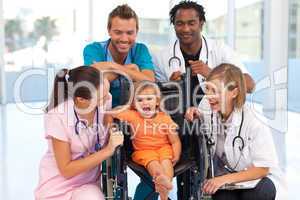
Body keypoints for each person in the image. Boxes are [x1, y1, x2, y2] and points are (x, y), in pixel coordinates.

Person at [185, 63, 287, 200]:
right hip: (229, 177)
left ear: (234, 92)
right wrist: (195, 113)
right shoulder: (207, 104)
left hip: (258, 179)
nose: (209, 95)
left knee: (257, 194)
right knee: (221, 197)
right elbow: (203, 115)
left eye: (215, 90)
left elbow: (263, 169)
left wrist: (223, 179)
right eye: (207, 89)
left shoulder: (254, 122)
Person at [35, 66, 124, 200]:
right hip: (57, 186)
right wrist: (108, 150)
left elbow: (107, 118)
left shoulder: (104, 98)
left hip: (87, 185)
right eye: (101, 98)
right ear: (81, 99)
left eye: (107, 93)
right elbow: (66, 170)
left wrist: (111, 124)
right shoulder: (58, 116)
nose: (107, 99)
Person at [153, 0, 255, 106]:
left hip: (216, 117)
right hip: (178, 118)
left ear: (201, 24)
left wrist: (213, 75)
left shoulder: (220, 49)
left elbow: (250, 85)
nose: (186, 29)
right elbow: (152, 97)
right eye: (180, 23)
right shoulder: (160, 58)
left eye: (191, 23)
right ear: (173, 25)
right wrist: (170, 87)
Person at [107, 81, 182, 200]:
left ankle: (164, 188)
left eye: (149, 99)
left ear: (157, 102)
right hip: (144, 150)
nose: (144, 103)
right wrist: (111, 127)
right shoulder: (133, 115)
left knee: (166, 163)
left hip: (164, 148)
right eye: (140, 100)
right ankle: (161, 181)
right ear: (134, 104)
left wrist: (176, 154)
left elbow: (175, 141)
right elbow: (110, 113)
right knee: (154, 164)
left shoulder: (165, 118)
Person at [83, 4, 155, 108]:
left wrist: (113, 67)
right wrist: (132, 70)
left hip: (131, 113)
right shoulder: (93, 49)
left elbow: (149, 81)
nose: (124, 39)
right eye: (118, 32)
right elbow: (92, 83)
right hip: (100, 112)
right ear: (109, 30)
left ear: (136, 32)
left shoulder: (140, 49)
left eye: (130, 33)